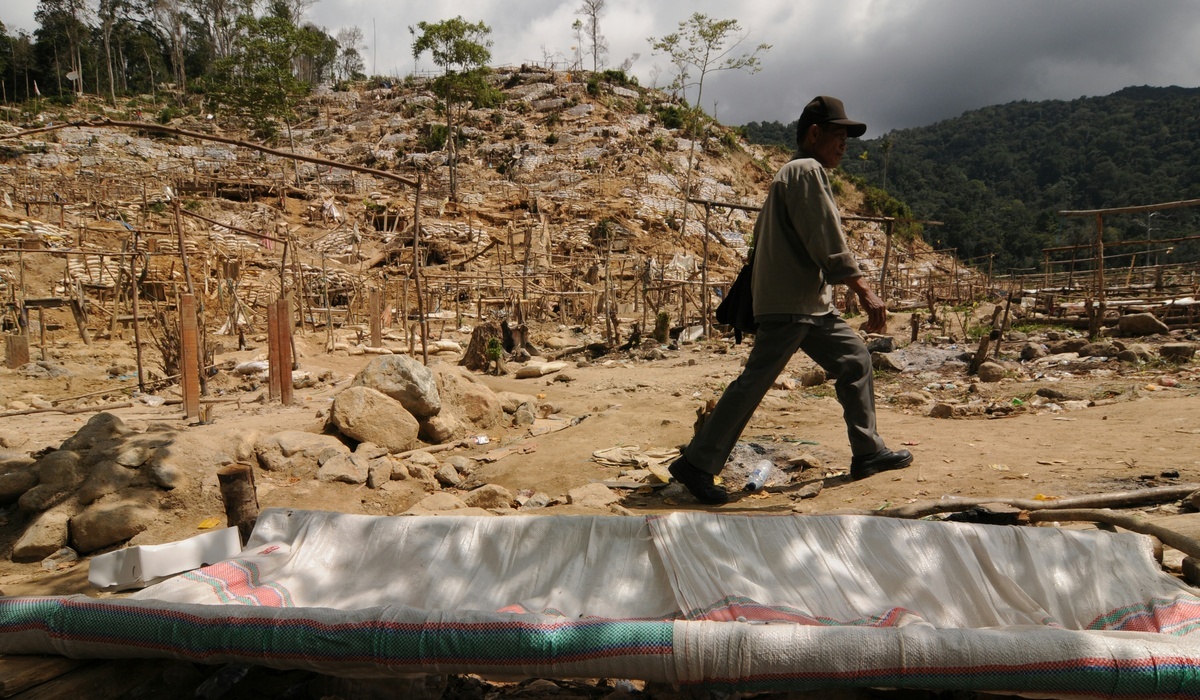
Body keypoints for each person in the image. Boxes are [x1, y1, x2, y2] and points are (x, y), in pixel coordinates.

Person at [669, 95, 912, 505]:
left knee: (855, 359)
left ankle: (868, 452)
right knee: (754, 383)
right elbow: (825, 237)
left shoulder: (795, 174)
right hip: (791, 303)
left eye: (846, 140)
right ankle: (697, 463)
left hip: (809, 304)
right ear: (814, 134)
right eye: (838, 136)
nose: (843, 146)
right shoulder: (804, 170)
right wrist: (863, 288)